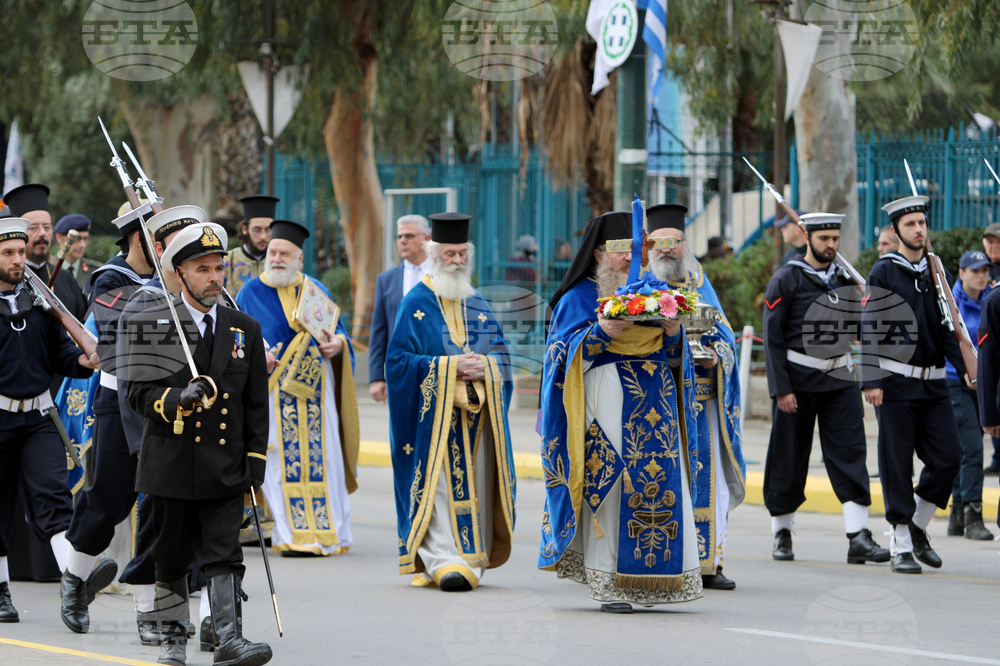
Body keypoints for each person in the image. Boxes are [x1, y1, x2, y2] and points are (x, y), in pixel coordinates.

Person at [123, 222, 272, 666]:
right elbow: (136, 394)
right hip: (171, 461)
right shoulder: (155, 325)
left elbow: (256, 407)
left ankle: (228, 639)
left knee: (225, 554)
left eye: (219, 268)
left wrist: (254, 470)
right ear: (180, 273)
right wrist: (177, 398)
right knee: (169, 556)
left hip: (225, 465)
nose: (214, 278)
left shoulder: (243, 328)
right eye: (202, 269)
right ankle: (173, 642)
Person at [539, 210, 702, 613]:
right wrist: (600, 333)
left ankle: (655, 581)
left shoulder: (658, 291)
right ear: (598, 254)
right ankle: (609, 582)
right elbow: (559, 359)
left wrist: (673, 332)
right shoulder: (577, 297)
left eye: (639, 249)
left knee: (664, 485)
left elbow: (679, 359)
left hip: (658, 402)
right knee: (611, 486)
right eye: (622, 250)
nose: (633, 258)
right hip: (606, 402)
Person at [386, 212, 515, 592]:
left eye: (462, 254)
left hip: (474, 422)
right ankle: (442, 558)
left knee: (473, 485)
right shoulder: (416, 302)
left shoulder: (477, 302)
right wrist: (447, 367)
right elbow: (397, 363)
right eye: (450, 254)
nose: (457, 261)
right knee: (439, 488)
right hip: (434, 422)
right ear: (433, 253)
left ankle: (471, 555)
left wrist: (486, 367)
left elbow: (502, 357)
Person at [763, 213, 889, 566]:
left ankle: (858, 537)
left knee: (850, 454)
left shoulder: (847, 279)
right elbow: (772, 338)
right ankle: (782, 532)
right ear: (808, 238)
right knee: (788, 458)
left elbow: (864, 332)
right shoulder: (786, 279)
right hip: (797, 384)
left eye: (835, 238)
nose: (831, 245)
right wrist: (781, 389)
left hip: (839, 380)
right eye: (824, 239)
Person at [58, 199, 158, 635]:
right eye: (165, 237)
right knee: (109, 500)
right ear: (141, 238)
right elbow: (127, 341)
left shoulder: (177, 275)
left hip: (166, 403)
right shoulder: (110, 278)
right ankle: (75, 578)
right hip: (120, 403)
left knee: (157, 503)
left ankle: (150, 608)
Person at [236, 220, 359, 557]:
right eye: (272, 252)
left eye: (284, 253)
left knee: (323, 461)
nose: (276, 258)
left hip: (317, 399)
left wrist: (338, 345)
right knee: (278, 463)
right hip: (273, 395)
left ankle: (330, 532)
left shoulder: (316, 289)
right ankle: (291, 534)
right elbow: (236, 340)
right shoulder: (249, 292)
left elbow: (340, 334)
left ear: (299, 259)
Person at [0, 217, 98, 623]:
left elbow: (61, 353)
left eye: (21, 252)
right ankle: (1, 591)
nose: (18, 259)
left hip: (39, 415)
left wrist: (83, 359)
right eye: (8, 253)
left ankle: (73, 584)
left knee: (54, 498)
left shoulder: (40, 300)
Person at [862, 195, 966, 574]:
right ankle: (901, 545)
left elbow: (949, 328)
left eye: (922, 223)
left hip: (935, 383)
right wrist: (870, 378)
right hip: (894, 385)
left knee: (949, 458)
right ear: (895, 231)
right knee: (896, 464)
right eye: (910, 225)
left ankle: (918, 526)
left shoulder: (936, 271)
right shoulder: (884, 272)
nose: (919, 229)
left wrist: (968, 372)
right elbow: (869, 326)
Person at [647, 203, 746, 590]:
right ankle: (670, 563)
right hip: (656, 402)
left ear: (686, 244)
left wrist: (714, 357)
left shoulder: (697, 279)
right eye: (660, 242)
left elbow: (724, 337)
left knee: (712, 482)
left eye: (675, 242)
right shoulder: (639, 285)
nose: (668, 249)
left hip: (702, 400)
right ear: (648, 246)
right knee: (667, 481)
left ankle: (709, 565)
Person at [941, 251, 994, 540]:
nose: (981, 275)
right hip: (956, 382)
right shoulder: (950, 303)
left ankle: (957, 513)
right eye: (974, 270)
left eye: (984, 269)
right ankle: (973, 515)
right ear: (962, 273)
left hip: (984, 384)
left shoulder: (992, 299)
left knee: (968, 449)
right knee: (972, 448)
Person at [368, 215, 432, 403]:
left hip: (437, 366)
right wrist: (376, 377)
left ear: (427, 238)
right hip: (399, 370)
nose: (402, 241)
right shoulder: (386, 279)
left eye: (409, 235)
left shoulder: (440, 275)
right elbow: (379, 331)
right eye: (399, 237)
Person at [4, 184, 87, 322]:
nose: (42, 233)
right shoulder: (8, 279)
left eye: (47, 227)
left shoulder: (66, 279)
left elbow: (84, 324)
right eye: (34, 228)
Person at [222, 194, 278, 296]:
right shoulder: (228, 260)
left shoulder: (278, 262)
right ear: (244, 229)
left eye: (268, 230)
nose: (263, 236)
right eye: (257, 230)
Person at [52, 214, 101, 287]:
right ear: (59, 237)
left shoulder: (96, 272)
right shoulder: (48, 269)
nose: (82, 245)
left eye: (85, 239)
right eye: (76, 238)